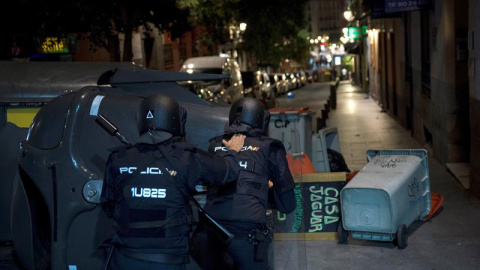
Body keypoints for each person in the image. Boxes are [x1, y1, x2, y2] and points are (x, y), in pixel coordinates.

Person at [100, 94, 245, 270]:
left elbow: (108, 206)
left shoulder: (118, 158)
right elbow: (227, 173)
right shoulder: (187, 157)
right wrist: (232, 151)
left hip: (124, 259)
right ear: (176, 119)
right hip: (167, 261)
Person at [200, 97, 296, 270]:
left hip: (212, 233)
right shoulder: (269, 147)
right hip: (248, 237)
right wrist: (267, 191)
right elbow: (288, 204)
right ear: (262, 119)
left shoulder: (215, 145)